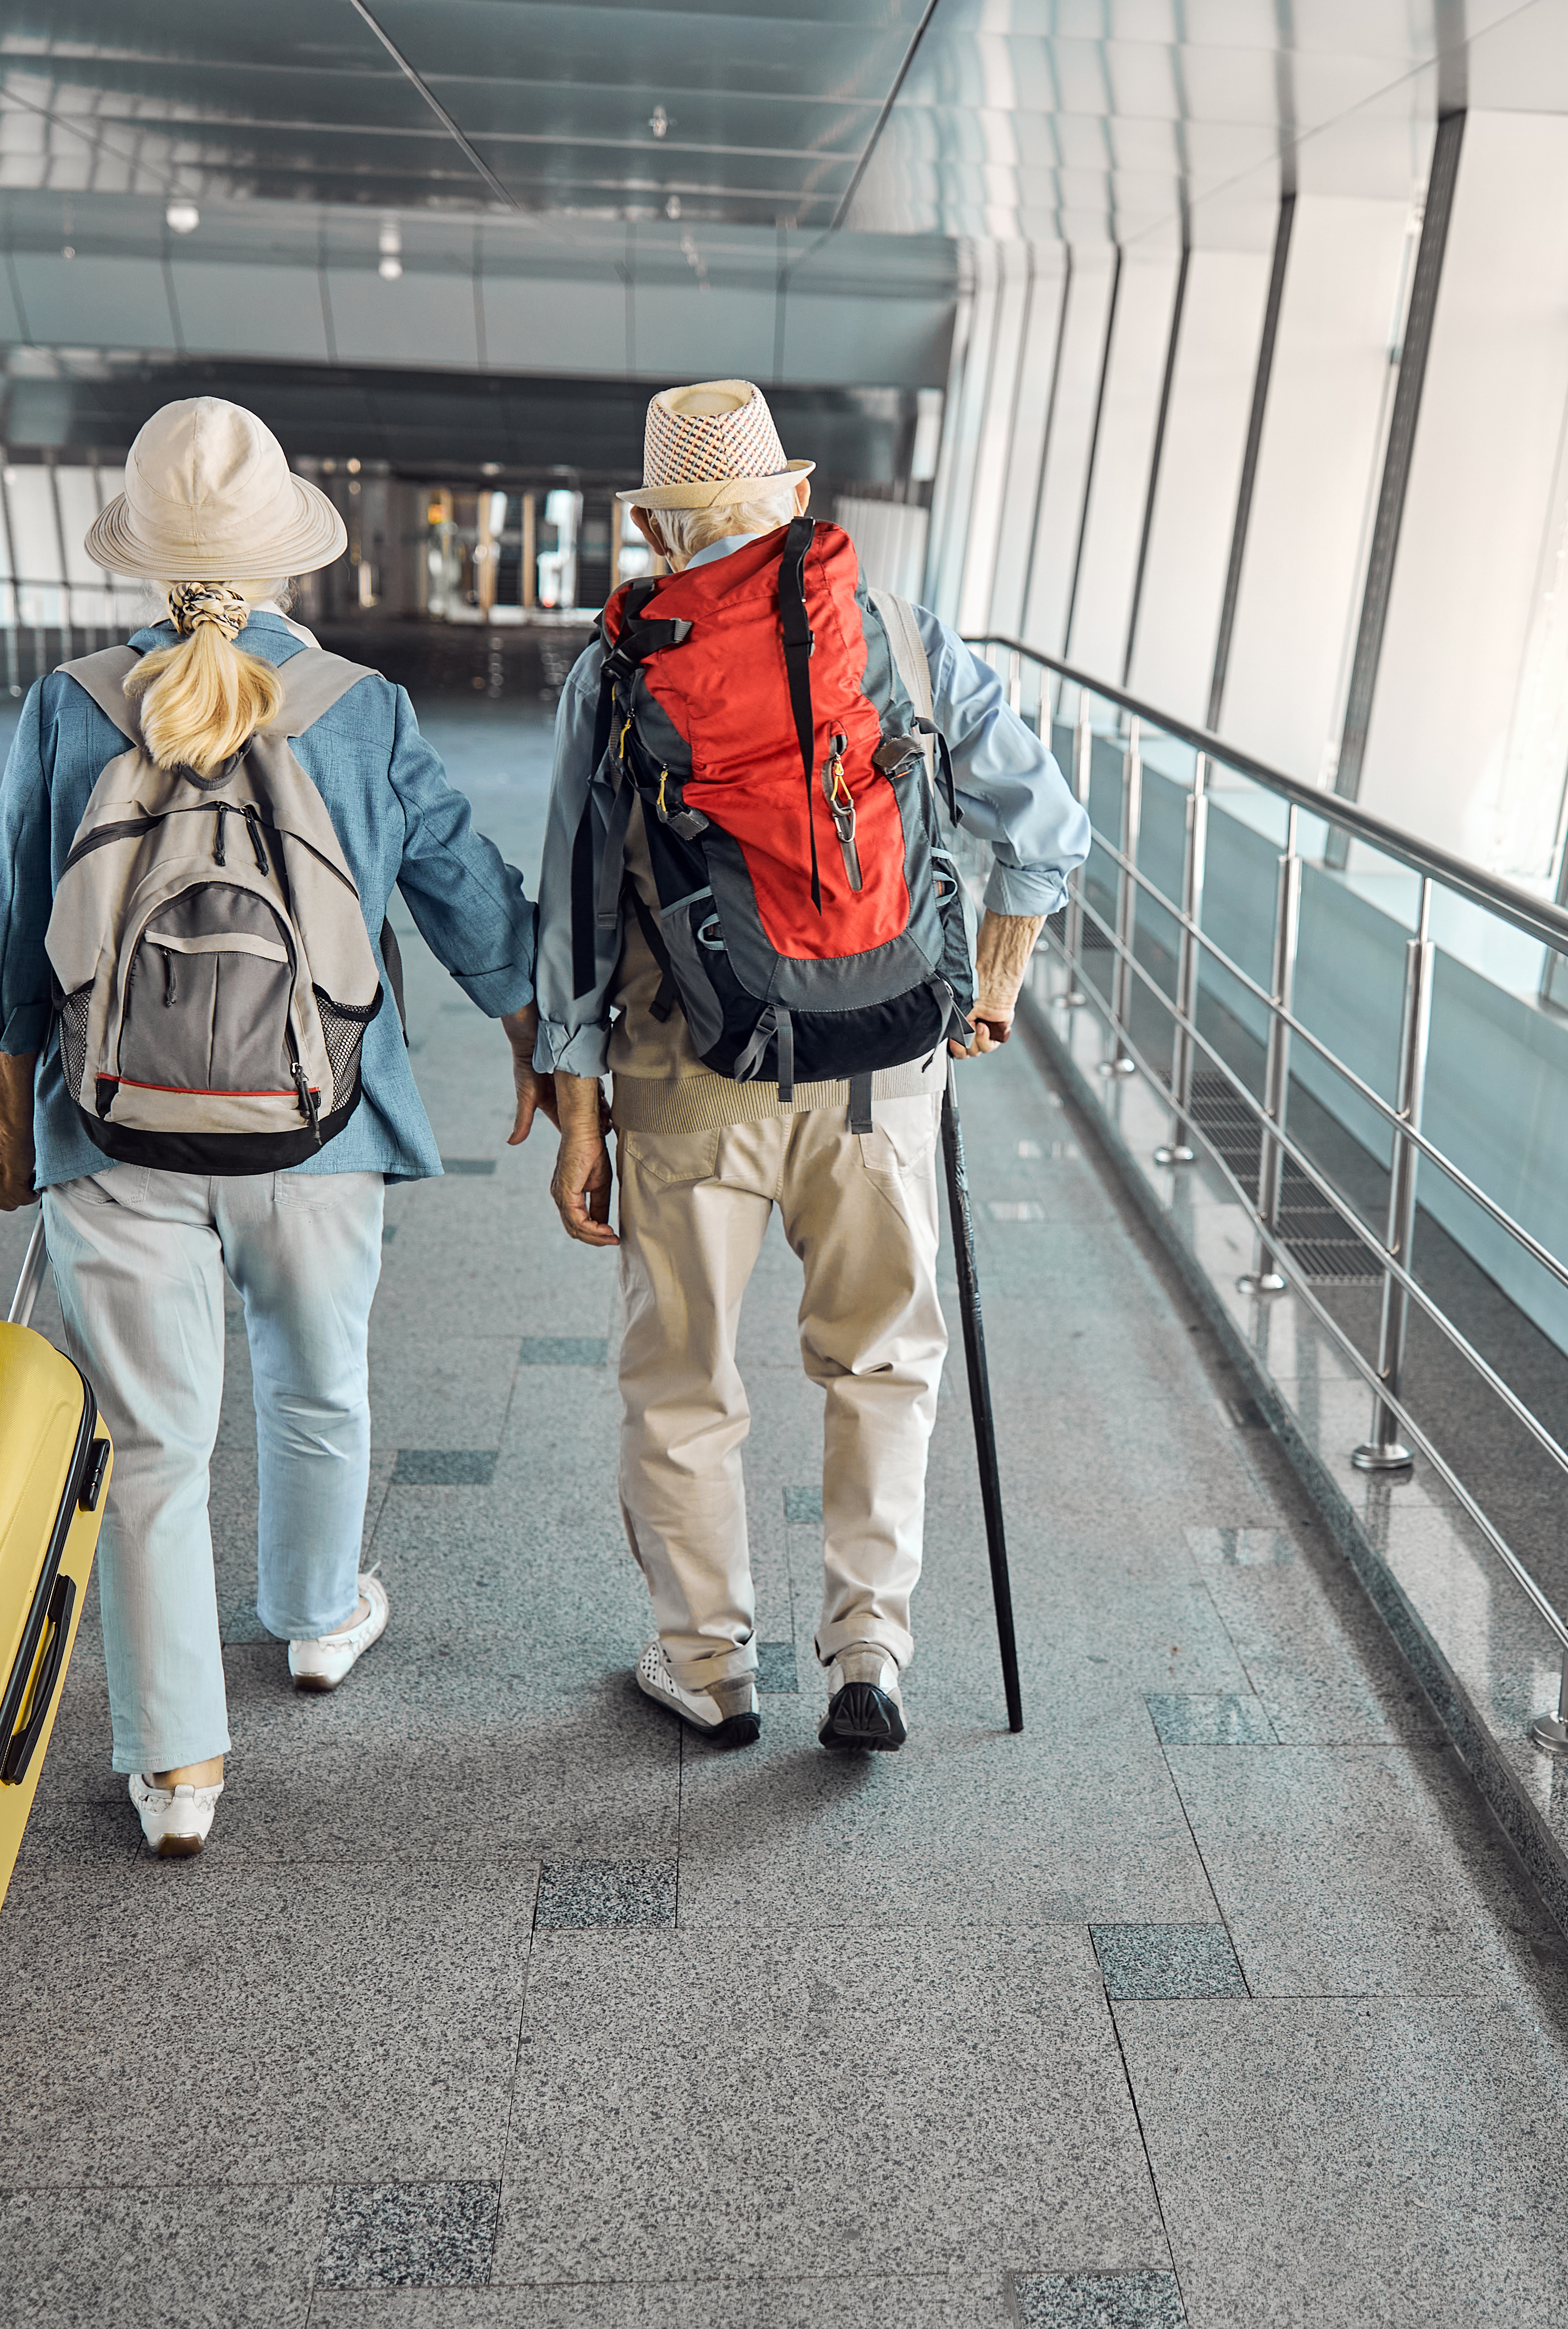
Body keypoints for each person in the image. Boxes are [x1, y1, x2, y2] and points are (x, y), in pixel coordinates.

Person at [0, 396, 543, 1857]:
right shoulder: (360, 708)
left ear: (142, 564)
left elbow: (12, 943)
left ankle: (176, 1775)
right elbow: (468, 901)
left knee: (149, 1450)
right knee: (318, 1381)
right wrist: (544, 1046)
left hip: (114, 1133)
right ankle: (319, 1619)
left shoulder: (69, 705)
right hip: (321, 1131)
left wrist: (7, 1135)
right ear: (288, 560)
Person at [534, 378, 1089, 1754]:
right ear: (791, 499)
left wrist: (577, 1116)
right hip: (883, 1072)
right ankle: (872, 1655)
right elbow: (1046, 828)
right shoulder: (895, 632)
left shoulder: (619, 667)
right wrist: (992, 992)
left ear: (661, 529)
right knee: (884, 1365)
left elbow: (577, 909)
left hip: (689, 1073)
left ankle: (710, 1665)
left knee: (683, 1384)